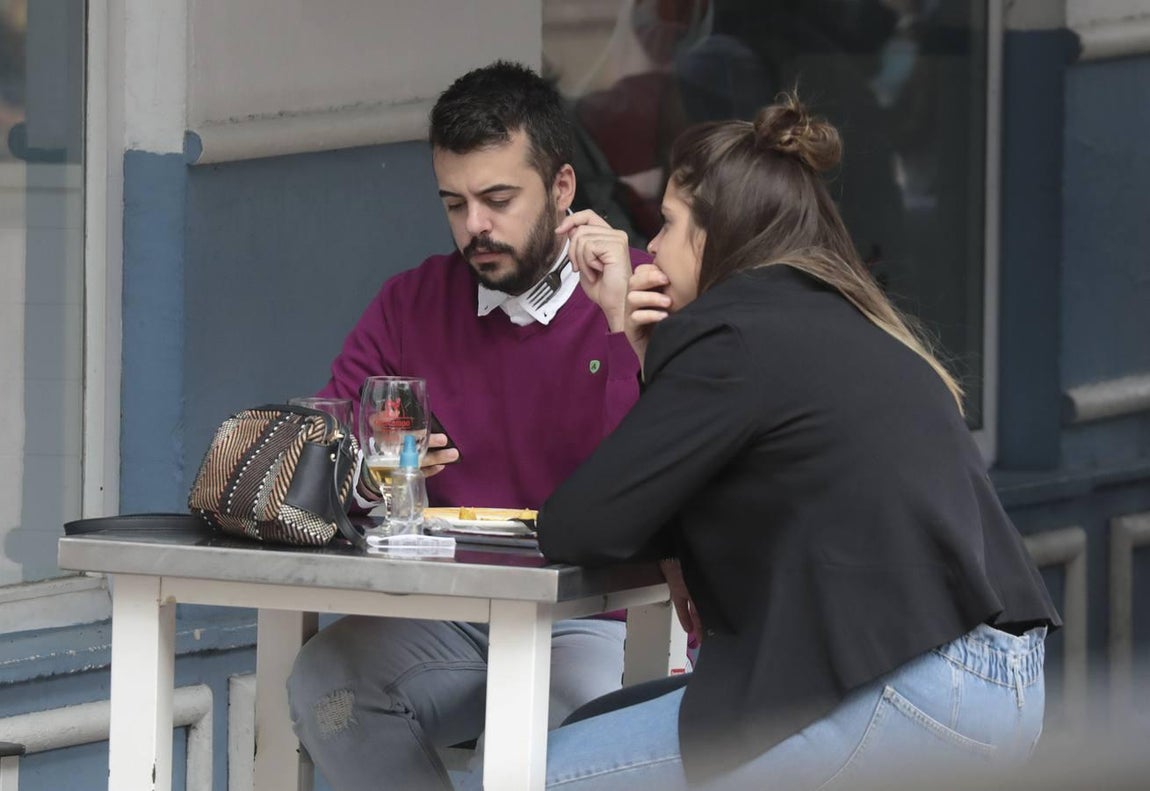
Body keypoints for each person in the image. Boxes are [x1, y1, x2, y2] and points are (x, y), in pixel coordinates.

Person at [532, 93, 1061, 789]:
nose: (651, 247)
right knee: (586, 729)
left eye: (666, 224)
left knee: (515, 773)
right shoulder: (836, 314)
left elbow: (577, 525)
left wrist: (631, 338)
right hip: (1001, 684)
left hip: (911, 690)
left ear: (716, 236)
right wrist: (646, 349)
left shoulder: (728, 333)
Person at [286, 61, 650, 790]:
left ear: (563, 189)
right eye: (454, 202)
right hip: (450, 612)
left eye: (497, 198)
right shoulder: (410, 302)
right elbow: (321, 454)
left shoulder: (634, 292)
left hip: (594, 616)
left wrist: (618, 327)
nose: (474, 226)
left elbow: (650, 480)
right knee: (327, 683)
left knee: (517, 758)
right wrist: (368, 470)